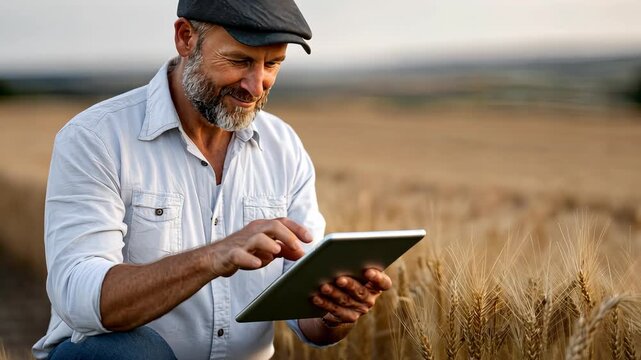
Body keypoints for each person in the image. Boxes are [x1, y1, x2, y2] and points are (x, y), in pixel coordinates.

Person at [33, 0, 392, 359]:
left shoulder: (284, 147)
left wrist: (334, 312)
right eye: (240, 61)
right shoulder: (96, 138)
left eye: (273, 64)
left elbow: (308, 321)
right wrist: (212, 257)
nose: (256, 86)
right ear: (186, 37)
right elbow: (79, 298)